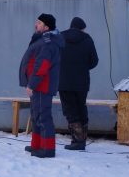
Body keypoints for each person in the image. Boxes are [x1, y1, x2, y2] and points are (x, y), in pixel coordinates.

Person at [19, 13, 64, 158]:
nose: (35, 25)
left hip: (42, 86)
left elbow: (42, 66)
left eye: (38, 22)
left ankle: (48, 149)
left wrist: (31, 84)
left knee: (43, 117)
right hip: (38, 85)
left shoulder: (47, 42)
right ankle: (37, 145)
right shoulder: (41, 40)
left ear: (46, 26)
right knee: (35, 116)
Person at [59, 17, 99, 151]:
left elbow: (53, 56)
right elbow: (94, 61)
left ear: (71, 26)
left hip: (64, 81)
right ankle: (82, 140)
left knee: (70, 110)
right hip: (82, 82)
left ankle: (77, 140)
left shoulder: (60, 37)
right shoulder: (87, 39)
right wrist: (83, 67)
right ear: (82, 28)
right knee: (81, 107)